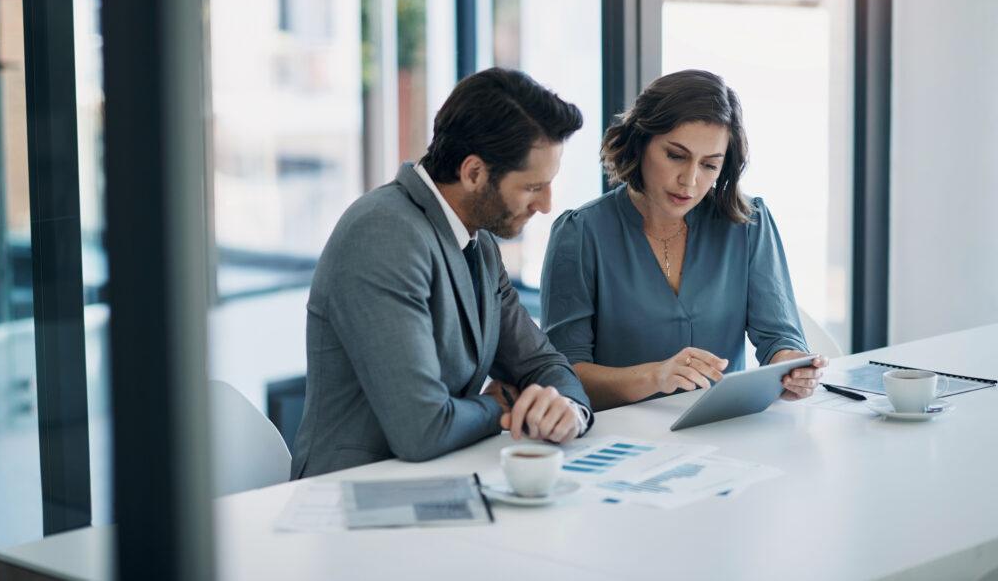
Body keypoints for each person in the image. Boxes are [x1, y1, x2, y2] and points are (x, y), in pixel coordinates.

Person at [291, 68, 593, 478]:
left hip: (443, 481)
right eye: (532, 187)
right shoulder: (382, 233)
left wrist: (567, 409)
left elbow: (542, 362)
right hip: (354, 497)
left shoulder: (479, 243)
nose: (546, 205)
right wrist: (503, 406)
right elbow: (423, 428)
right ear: (473, 173)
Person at [540, 69, 827, 411]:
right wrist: (655, 376)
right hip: (619, 439)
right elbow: (562, 376)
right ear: (640, 142)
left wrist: (792, 367)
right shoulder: (580, 234)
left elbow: (779, 337)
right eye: (676, 155)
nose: (689, 181)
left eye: (709, 165)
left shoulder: (748, 224)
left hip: (722, 430)